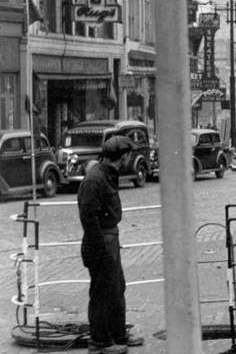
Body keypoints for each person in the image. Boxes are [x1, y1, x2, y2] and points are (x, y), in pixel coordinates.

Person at [77, 136, 143, 354]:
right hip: (101, 241)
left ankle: (117, 334)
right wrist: (101, 250)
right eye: (128, 156)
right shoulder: (96, 179)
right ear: (123, 157)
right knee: (102, 292)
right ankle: (100, 341)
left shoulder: (105, 175)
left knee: (116, 289)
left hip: (109, 238)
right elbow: (89, 217)